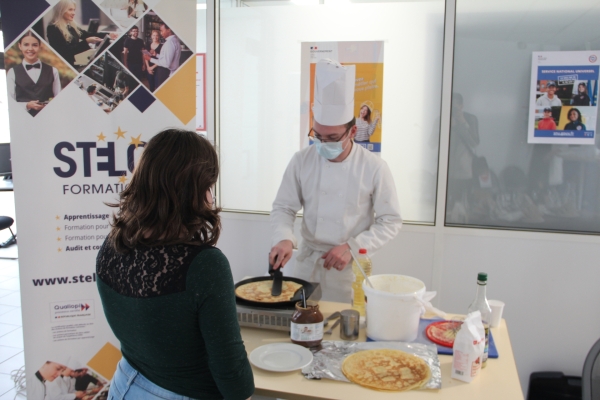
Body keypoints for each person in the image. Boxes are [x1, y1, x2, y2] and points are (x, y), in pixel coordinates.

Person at [96, 129, 254, 400]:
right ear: (191, 192)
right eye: (208, 186)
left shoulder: (111, 247)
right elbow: (232, 374)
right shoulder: (205, 266)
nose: (210, 196)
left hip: (124, 384)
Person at [269, 59, 402, 302]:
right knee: (301, 325)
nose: (322, 143)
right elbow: (283, 207)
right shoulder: (302, 160)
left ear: (352, 132)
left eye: (331, 137)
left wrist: (353, 247)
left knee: (345, 331)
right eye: (317, 135)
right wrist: (284, 238)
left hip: (348, 270)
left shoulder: (373, 168)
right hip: (307, 264)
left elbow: (390, 220)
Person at [46, 0, 117, 68]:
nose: (74, 13)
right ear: (61, 10)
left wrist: (109, 34)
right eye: (70, 10)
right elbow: (66, 52)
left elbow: (86, 34)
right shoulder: (53, 28)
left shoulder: (70, 26)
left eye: (74, 10)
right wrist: (87, 41)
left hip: (72, 63)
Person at [6, 31, 61, 116]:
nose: (30, 49)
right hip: (23, 120)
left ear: (39, 46)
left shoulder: (53, 71)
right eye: (26, 45)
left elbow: (59, 99)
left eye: (34, 45)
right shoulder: (12, 72)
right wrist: (27, 105)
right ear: (20, 46)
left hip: (49, 118)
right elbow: (9, 102)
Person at [447, 93, 479, 209]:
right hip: (447, 170)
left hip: (465, 170)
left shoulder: (470, 119)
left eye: (454, 107)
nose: (452, 110)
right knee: (448, 206)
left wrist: (462, 123)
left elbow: (474, 143)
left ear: (461, 106)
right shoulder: (442, 118)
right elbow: (432, 145)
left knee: (465, 205)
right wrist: (446, 127)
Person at [143, 23, 181, 89]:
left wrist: (150, 59)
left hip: (167, 73)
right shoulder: (174, 41)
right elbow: (167, 57)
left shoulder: (169, 43)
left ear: (169, 30)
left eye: (162, 31)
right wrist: (156, 55)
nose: (161, 33)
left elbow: (166, 63)